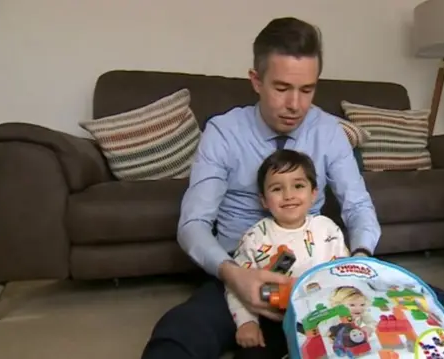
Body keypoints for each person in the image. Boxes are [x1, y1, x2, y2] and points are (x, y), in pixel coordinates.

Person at [141, 17, 379, 359]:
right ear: (256, 81)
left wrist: (357, 263)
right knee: (177, 335)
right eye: (282, 88)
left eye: (307, 90)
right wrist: (235, 276)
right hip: (239, 276)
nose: (296, 105)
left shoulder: (329, 131)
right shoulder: (222, 132)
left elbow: (358, 207)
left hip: (317, 279)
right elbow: (193, 225)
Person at [227, 149, 352, 359]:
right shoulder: (255, 237)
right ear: (264, 200)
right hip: (274, 319)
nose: (289, 195)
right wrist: (247, 322)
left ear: (313, 194)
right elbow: (236, 285)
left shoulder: (328, 229)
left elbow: (345, 273)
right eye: (277, 188)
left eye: (298, 186)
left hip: (325, 316)